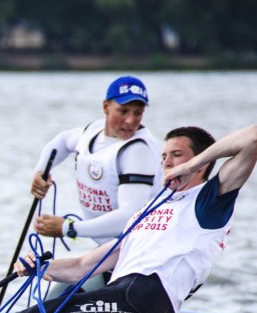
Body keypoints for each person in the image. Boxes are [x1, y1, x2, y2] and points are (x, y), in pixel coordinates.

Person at [0, 124, 257, 313]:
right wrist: (39, 267)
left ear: (202, 163)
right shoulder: (149, 210)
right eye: (163, 156)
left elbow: (253, 137)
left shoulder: (207, 200)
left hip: (145, 296)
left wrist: (192, 165)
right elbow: (83, 265)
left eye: (177, 155)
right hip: (120, 302)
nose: (167, 162)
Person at [29, 75, 163, 242]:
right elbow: (62, 141)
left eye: (138, 113)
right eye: (123, 111)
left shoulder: (138, 152)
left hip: (141, 246)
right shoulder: (93, 130)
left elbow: (129, 217)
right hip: (111, 247)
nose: (130, 121)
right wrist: (40, 171)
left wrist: (67, 228)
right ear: (106, 106)